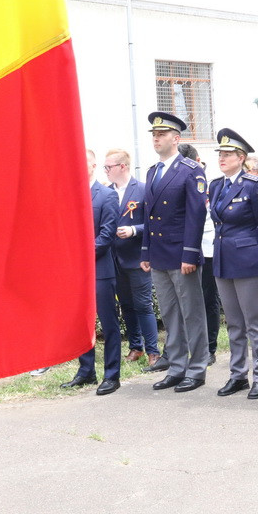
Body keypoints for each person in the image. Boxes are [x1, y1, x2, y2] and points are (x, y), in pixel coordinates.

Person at [141, 112, 210, 393]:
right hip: (159, 254)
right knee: (170, 314)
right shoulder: (152, 171)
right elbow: (149, 216)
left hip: (182, 254)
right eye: (154, 135)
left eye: (162, 134)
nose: (156, 139)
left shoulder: (191, 170)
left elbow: (196, 214)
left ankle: (197, 368)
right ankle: (177, 366)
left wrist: (190, 254)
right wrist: (145, 251)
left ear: (176, 139)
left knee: (192, 313)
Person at [209, 129, 258, 399]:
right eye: (220, 154)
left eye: (228, 154)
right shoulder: (216, 186)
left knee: (255, 322)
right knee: (234, 323)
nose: (222, 158)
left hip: (248, 262)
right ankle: (238, 375)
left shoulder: (253, 186)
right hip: (223, 261)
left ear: (241, 158)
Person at [61, 150, 122, 395]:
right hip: (76, 272)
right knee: (81, 324)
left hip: (100, 270)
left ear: (94, 165)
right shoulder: (69, 194)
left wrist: (81, 255)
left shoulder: (107, 195)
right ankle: (86, 371)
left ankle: (112, 375)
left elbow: (107, 234)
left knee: (108, 324)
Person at [105, 149, 161, 369]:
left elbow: (154, 222)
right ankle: (136, 346)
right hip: (115, 258)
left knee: (143, 305)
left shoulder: (142, 189)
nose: (106, 171)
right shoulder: (107, 191)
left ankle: (153, 351)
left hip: (137, 258)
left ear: (122, 166)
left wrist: (134, 230)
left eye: (109, 167)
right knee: (126, 305)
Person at [179, 142, 220, 367]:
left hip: (208, 247)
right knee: (188, 301)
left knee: (208, 299)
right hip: (186, 248)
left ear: (196, 161)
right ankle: (190, 346)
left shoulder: (211, 181)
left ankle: (210, 347)